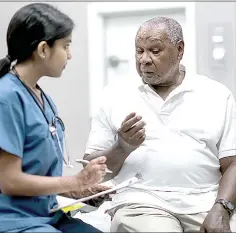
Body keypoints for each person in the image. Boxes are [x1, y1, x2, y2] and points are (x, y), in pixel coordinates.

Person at [84, 16, 236, 232]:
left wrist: (222, 208)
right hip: (142, 202)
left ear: (179, 50)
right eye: (139, 51)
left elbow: (232, 164)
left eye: (155, 51)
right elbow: (92, 174)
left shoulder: (217, 95)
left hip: (206, 202)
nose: (144, 59)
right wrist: (122, 146)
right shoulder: (114, 95)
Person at [0, 3, 109, 232]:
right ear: (43, 49)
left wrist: (80, 190)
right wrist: (75, 182)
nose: (70, 54)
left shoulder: (40, 97)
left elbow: (38, 174)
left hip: (45, 214)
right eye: (66, 45)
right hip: (9, 220)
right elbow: (10, 181)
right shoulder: (5, 98)